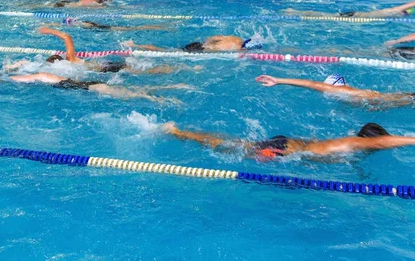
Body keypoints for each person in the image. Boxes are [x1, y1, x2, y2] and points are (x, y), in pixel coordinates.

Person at [0, 64, 184, 104]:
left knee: (128, 96)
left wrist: (8, 76)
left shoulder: (44, 75)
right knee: (129, 93)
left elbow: (27, 78)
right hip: (83, 84)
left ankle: (161, 97)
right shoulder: (54, 74)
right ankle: (165, 92)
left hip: (85, 87)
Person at [163, 122, 415, 160]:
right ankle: (177, 133)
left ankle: (181, 132)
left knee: (234, 143)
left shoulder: (349, 143)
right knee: (230, 148)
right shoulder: (360, 144)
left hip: (288, 144)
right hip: (281, 151)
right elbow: (384, 143)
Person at [35, 27, 194, 74]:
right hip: (105, 65)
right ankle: (176, 68)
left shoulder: (68, 64)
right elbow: (67, 36)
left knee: (143, 71)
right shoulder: (71, 59)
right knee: (140, 68)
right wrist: (49, 30)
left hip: (105, 68)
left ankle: (176, 69)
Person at [256, 74, 415, 108]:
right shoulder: (343, 91)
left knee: (407, 100)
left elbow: (310, 83)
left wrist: (279, 80)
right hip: (371, 102)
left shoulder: (336, 90)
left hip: (375, 100)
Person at [124, 35, 261, 53]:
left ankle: (135, 44)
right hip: (200, 49)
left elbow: (214, 37)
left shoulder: (236, 38)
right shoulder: (237, 48)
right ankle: (135, 45)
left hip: (199, 44)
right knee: (165, 51)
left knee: (169, 50)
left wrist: (206, 44)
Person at [285, 1, 415, 18]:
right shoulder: (393, 12)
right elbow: (395, 9)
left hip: (357, 16)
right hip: (357, 16)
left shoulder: (405, 13)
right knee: (323, 16)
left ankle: (295, 12)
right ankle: (294, 12)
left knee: (326, 15)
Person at [50, 17, 166, 31]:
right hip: (104, 27)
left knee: (134, 28)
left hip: (107, 28)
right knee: (134, 28)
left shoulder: (82, 24)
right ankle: (157, 27)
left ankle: (156, 27)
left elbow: (90, 25)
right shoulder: (82, 22)